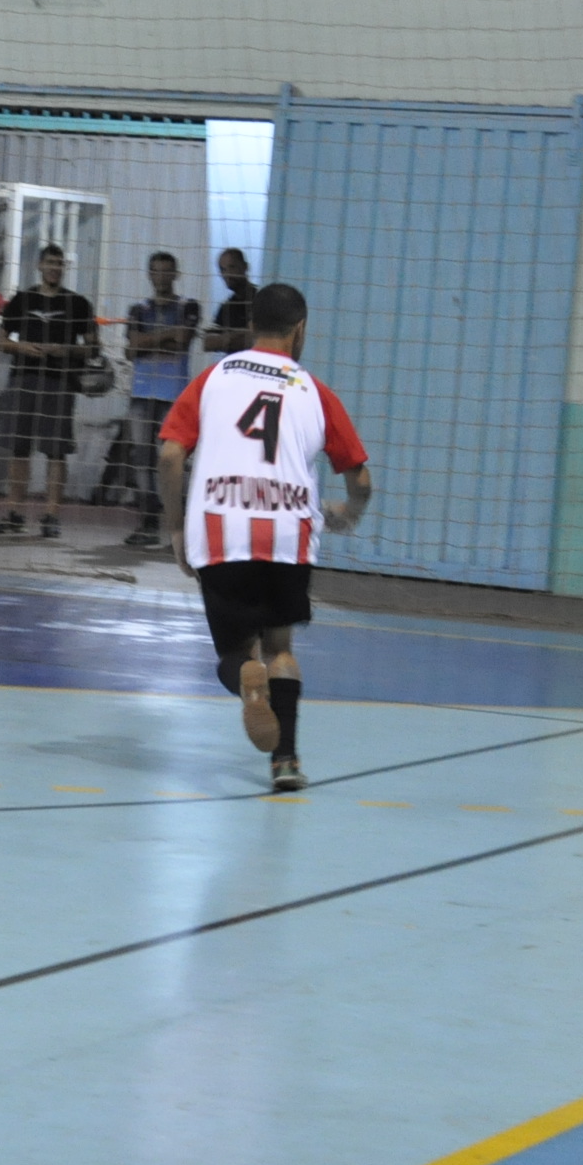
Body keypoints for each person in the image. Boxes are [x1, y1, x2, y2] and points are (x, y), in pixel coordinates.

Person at [158, 282, 372, 792]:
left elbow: (169, 455)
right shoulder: (315, 391)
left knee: (237, 654)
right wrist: (349, 514)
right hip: (287, 533)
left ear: (252, 324)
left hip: (222, 527)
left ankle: (245, 679)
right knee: (281, 646)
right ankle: (287, 762)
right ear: (300, 329)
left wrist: (174, 525)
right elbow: (360, 479)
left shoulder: (214, 377)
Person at [0, 244, 98, 539]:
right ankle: (14, 512)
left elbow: (93, 347)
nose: (54, 267)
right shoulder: (22, 300)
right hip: (23, 378)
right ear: (39, 266)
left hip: (59, 382)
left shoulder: (77, 304)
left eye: (59, 263)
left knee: (56, 451)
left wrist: (65, 349)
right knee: (19, 448)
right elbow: (0, 342)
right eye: (49, 262)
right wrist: (21, 346)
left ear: (64, 268)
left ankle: (51, 515)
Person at [123, 252, 201, 547]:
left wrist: (146, 340)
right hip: (142, 393)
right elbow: (130, 350)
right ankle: (147, 522)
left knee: (173, 461)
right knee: (142, 459)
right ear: (149, 274)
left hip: (173, 396)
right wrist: (165, 338)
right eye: (156, 271)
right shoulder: (138, 309)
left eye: (167, 271)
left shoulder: (187, 306)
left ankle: (179, 529)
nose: (161, 276)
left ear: (175, 274)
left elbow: (182, 342)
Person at [201, 248, 258, 356]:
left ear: (245, 267)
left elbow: (256, 340)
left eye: (232, 267)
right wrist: (240, 335)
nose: (227, 274)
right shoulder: (226, 307)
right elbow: (208, 343)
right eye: (223, 270)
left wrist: (224, 338)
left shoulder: (261, 300)